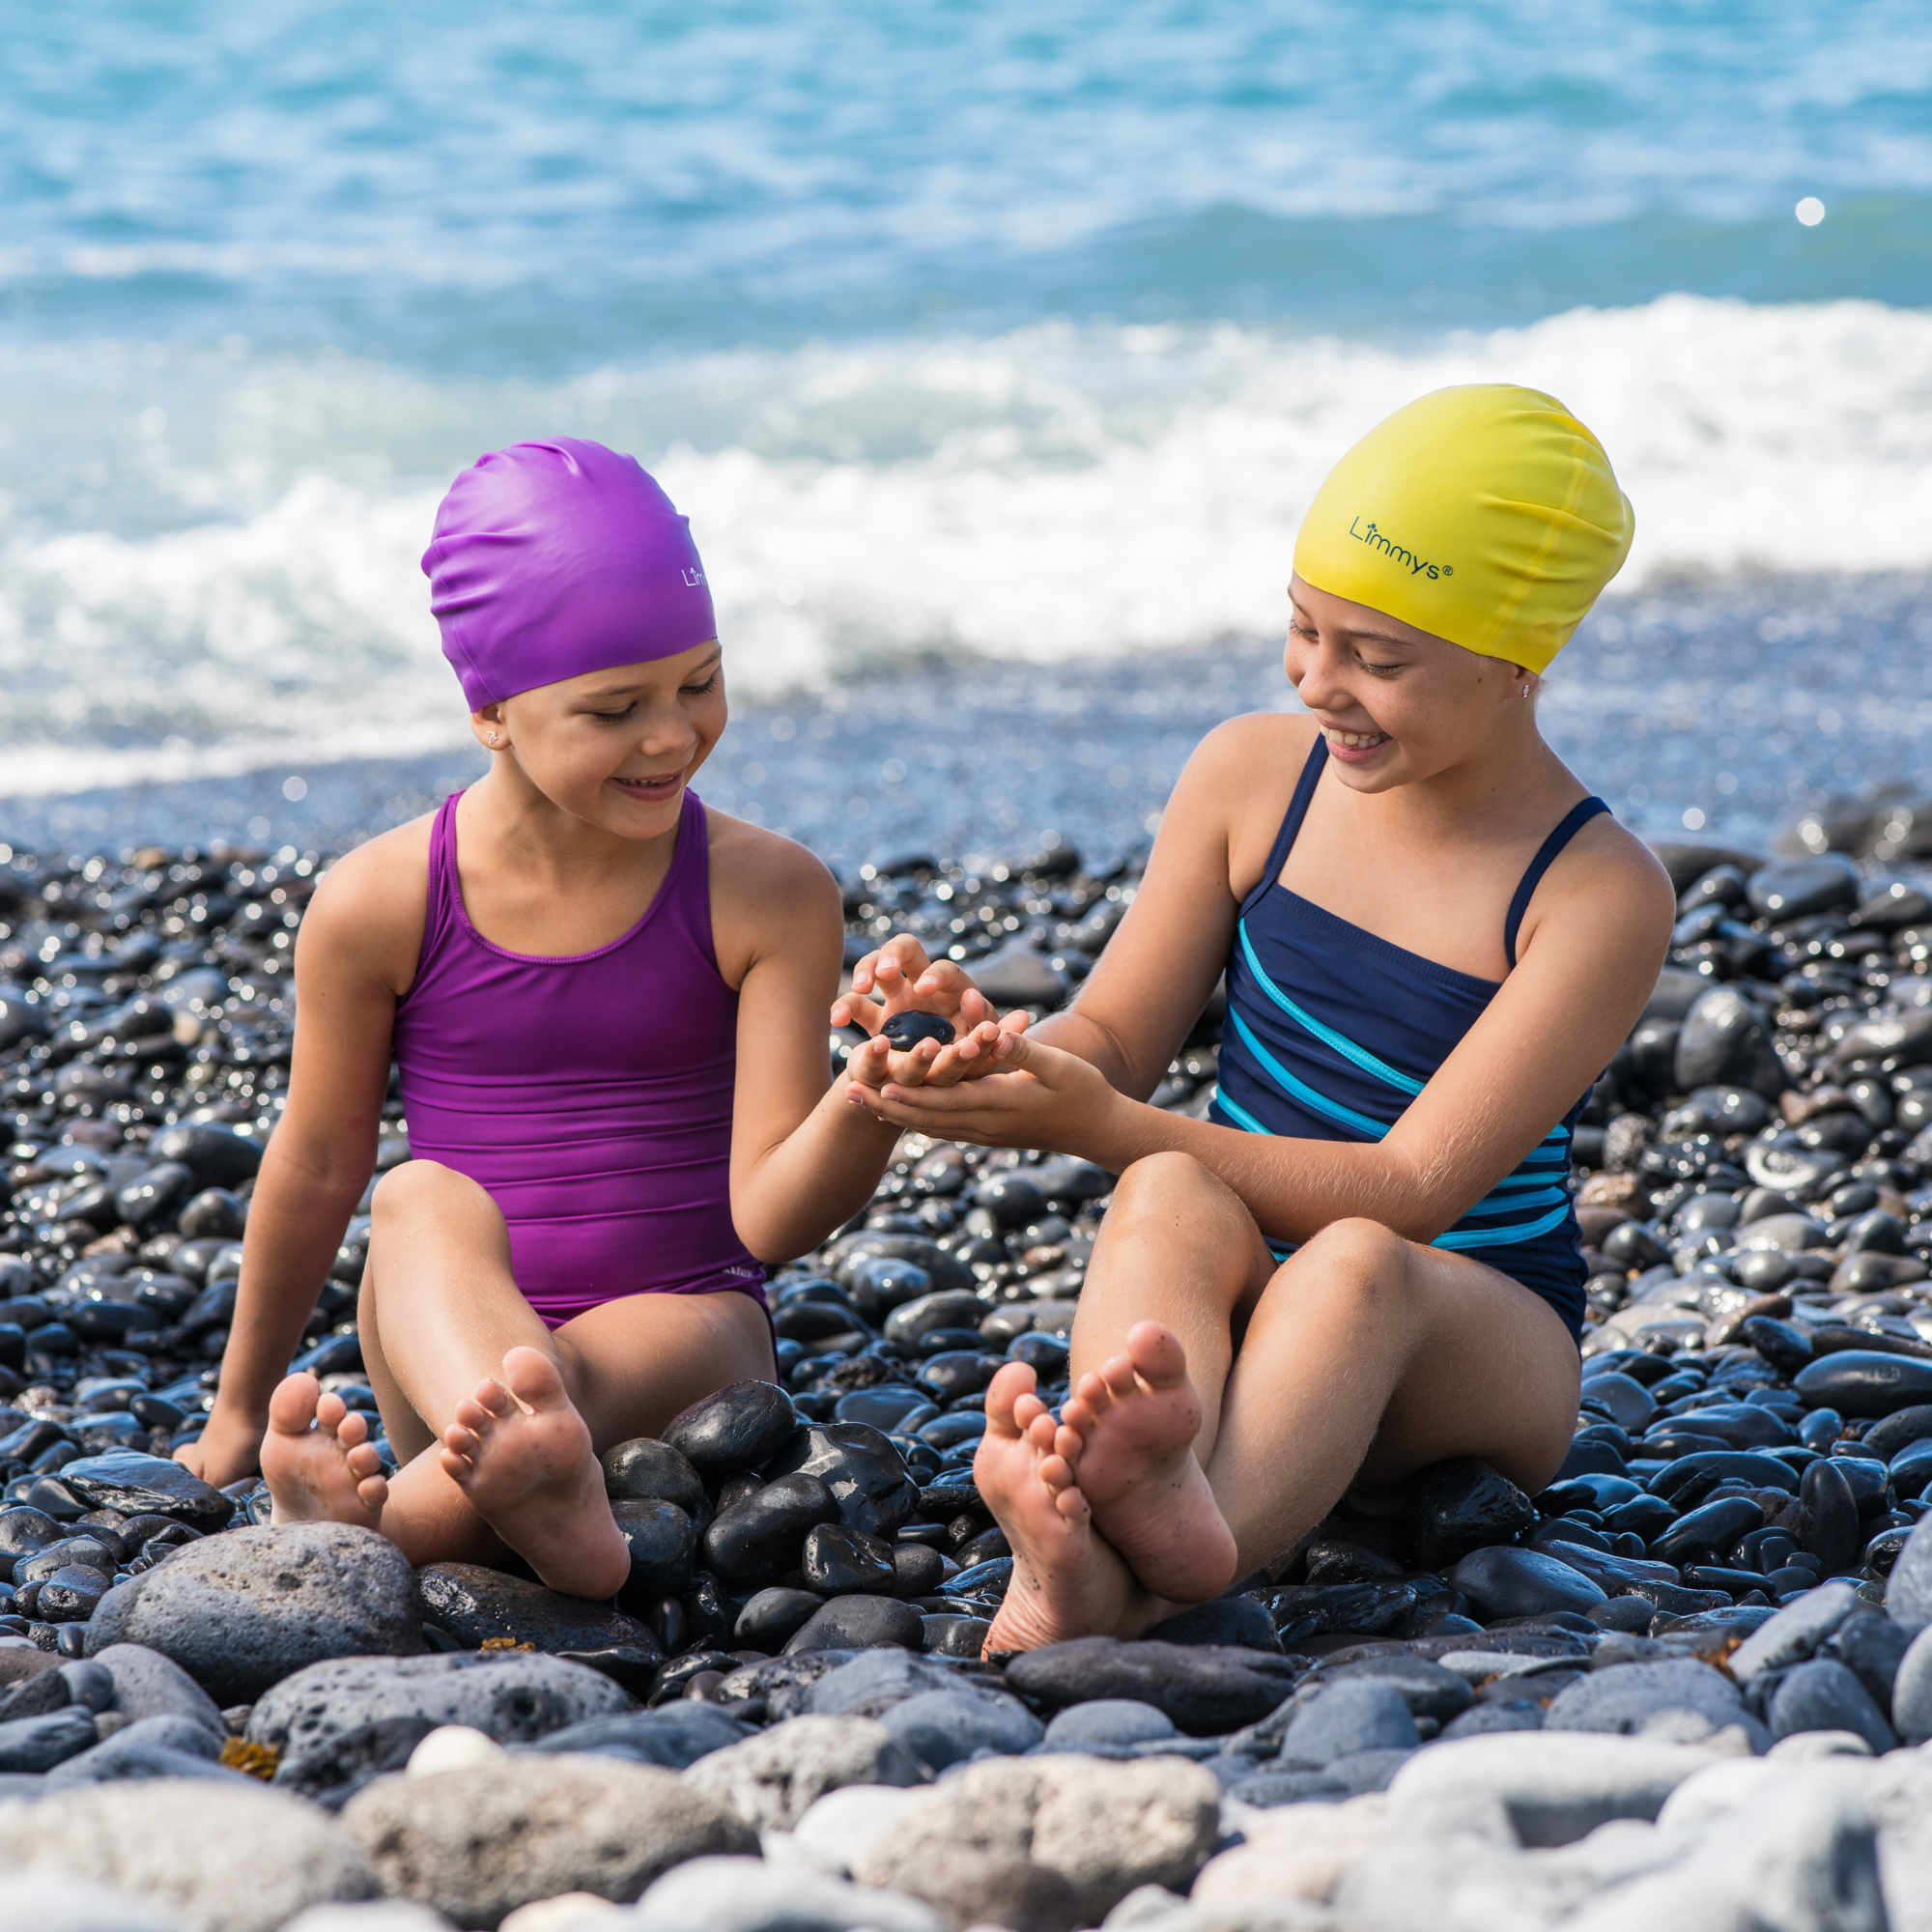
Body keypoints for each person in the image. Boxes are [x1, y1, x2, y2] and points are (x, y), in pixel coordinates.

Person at [834, 385, 1675, 1653]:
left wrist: (1107, 1126)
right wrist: (994, 1053)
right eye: (1303, 631)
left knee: (1345, 1261)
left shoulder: (1592, 889)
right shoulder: (1251, 778)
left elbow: (1407, 1188)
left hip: (1466, 1323)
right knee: (1167, 1194)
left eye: (1378, 659)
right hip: (1246, 1289)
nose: (1320, 683)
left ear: (1519, 663)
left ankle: (1142, 1565)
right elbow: (1112, 1036)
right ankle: (1136, 1506)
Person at [175, 438, 985, 1598]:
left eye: (699, 683)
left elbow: (768, 1214)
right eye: (615, 708)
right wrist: (237, 1407)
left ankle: (393, 1533)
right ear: (492, 709)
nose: (670, 735)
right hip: (437, 1347)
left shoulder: (765, 890)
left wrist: (869, 1095)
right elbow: (315, 1163)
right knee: (415, 1195)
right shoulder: (381, 901)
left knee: (588, 1377)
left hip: (684, 1326)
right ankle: (533, 1485)